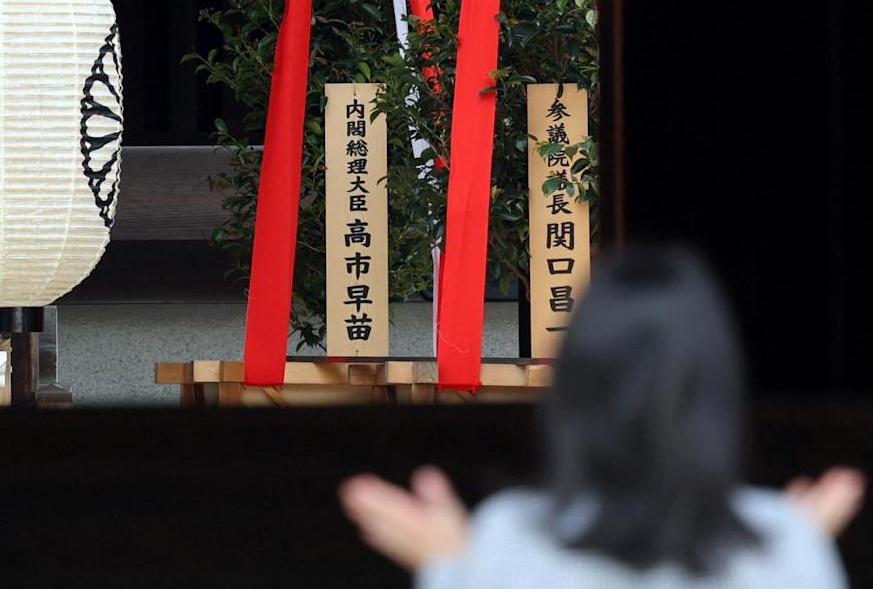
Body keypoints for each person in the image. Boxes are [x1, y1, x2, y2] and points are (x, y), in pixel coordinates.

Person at [339, 244, 865, 588]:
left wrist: (451, 567)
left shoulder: (506, 537)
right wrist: (786, 553)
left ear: (573, 387)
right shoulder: (784, 540)